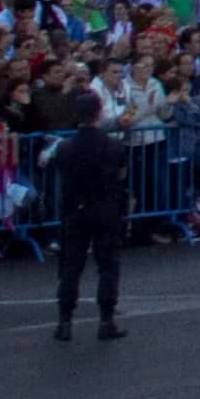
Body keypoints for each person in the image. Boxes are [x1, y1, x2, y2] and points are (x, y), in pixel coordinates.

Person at [49, 103, 130, 341]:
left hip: (76, 209)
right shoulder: (113, 145)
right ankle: (106, 320)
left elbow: (62, 173)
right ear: (98, 115)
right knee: (108, 265)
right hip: (105, 208)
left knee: (71, 266)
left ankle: (65, 322)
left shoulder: (65, 147)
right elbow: (122, 176)